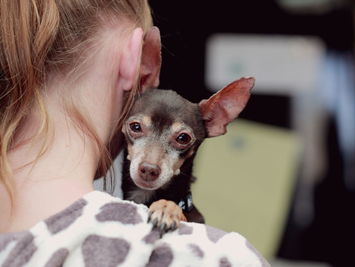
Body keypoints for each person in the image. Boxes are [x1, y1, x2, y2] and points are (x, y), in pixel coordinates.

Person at [0, 0, 269, 266]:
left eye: (181, 139)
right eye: (137, 128)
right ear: (138, 66)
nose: (150, 163)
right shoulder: (214, 255)